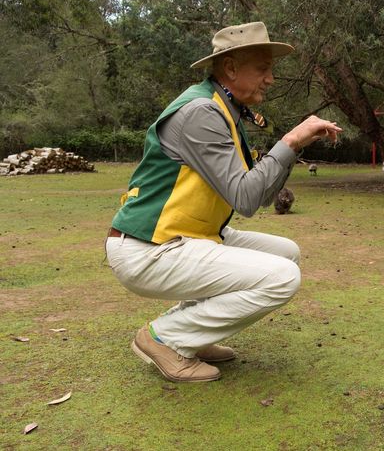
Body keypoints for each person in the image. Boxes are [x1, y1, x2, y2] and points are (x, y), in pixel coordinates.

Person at [105, 21, 341, 382]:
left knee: (286, 253)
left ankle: (192, 335)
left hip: (187, 236)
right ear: (230, 68)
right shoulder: (201, 112)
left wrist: (294, 147)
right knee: (282, 277)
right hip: (148, 248)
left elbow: (258, 195)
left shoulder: (221, 108)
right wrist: (291, 140)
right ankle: (166, 338)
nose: (271, 79)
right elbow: (246, 198)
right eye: (263, 68)